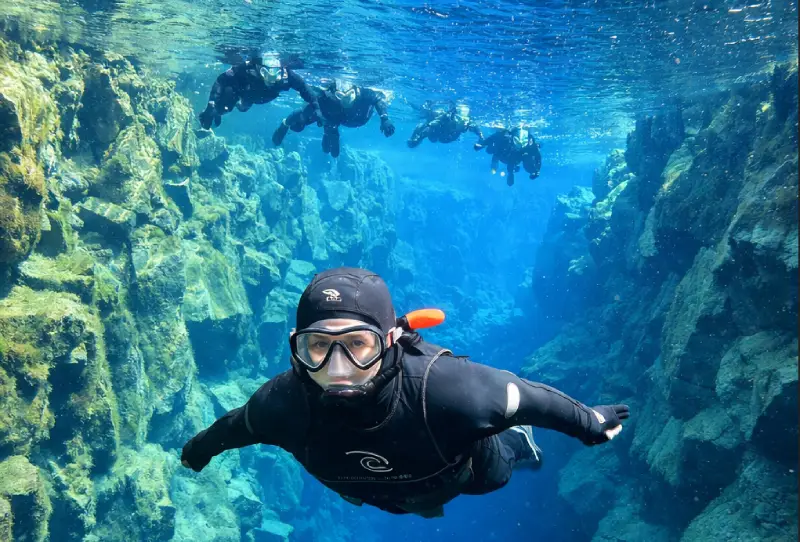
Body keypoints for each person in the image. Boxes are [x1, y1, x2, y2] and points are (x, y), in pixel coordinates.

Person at [181, 267, 629, 519]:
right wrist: (197, 452)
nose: (338, 370)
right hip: (383, 496)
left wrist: (590, 424)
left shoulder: (450, 389)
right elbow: (234, 428)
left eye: (358, 345)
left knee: (501, 466)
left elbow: (530, 398)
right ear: (297, 344)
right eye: (318, 347)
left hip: (467, 477)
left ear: (390, 339)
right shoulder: (281, 404)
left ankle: (515, 441)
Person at [272, 79, 395, 158]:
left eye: (349, 94)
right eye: (340, 95)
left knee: (332, 152)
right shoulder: (327, 98)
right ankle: (324, 129)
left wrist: (384, 118)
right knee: (297, 127)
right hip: (333, 119)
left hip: (349, 119)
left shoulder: (365, 93)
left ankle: (328, 130)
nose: (345, 98)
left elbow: (379, 99)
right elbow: (306, 110)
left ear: (356, 91)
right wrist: (286, 125)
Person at [197, 52, 321, 130]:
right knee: (224, 105)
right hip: (242, 91)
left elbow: (304, 88)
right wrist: (211, 104)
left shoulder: (287, 76)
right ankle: (219, 112)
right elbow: (221, 80)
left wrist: (316, 108)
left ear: (281, 69)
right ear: (259, 68)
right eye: (265, 72)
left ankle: (241, 106)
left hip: (256, 98)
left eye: (276, 72)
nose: (271, 77)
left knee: (244, 106)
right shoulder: (247, 67)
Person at [474, 126, 542, 186]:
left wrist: (536, 171)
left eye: (524, 142)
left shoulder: (529, 145)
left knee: (527, 160)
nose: (520, 145)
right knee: (493, 152)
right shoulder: (504, 139)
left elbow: (537, 156)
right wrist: (483, 144)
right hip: (505, 156)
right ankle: (495, 166)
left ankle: (501, 167)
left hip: (514, 157)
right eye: (516, 141)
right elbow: (494, 137)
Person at [407, 103, 484, 148]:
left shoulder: (466, 123)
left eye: (465, 120)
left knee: (439, 139)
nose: (464, 123)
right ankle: (419, 127)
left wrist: (481, 138)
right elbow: (429, 128)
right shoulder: (443, 120)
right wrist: (418, 139)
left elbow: (476, 128)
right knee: (432, 139)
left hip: (448, 138)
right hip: (438, 133)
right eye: (461, 119)